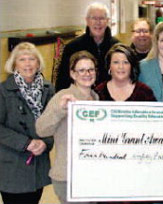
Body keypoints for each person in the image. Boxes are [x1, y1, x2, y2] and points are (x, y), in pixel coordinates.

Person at [36, 51, 99, 204]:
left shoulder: (96, 97)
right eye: (81, 70)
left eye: (90, 69)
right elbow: (41, 129)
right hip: (68, 176)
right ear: (72, 73)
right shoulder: (62, 96)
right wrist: (60, 110)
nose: (87, 74)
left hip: (91, 175)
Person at [0, 42, 54, 204]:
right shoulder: (3, 90)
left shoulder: (48, 89)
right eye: (22, 59)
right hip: (12, 165)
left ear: (38, 63)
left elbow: (55, 124)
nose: (28, 64)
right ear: (14, 64)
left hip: (38, 164)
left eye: (32, 59)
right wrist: (26, 143)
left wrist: (46, 143)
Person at [55, 2, 119, 92]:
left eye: (101, 18)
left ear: (107, 21)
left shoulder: (116, 46)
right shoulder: (72, 47)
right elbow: (62, 80)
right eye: (94, 18)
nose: (98, 22)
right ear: (87, 21)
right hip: (80, 98)